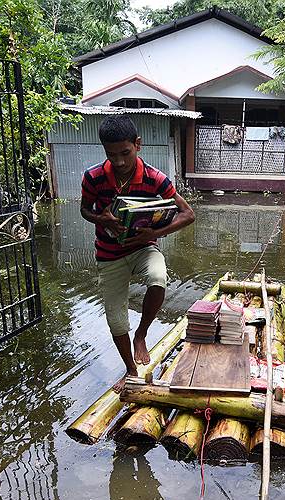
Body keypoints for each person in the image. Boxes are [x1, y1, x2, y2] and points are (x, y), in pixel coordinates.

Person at [80, 116, 195, 392]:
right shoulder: (93, 178)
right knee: (115, 318)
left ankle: (141, 334)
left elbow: (188, 214)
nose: (119, 161)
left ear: (138, 144)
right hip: (109, 254)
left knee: (158, 277)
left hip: (145, 247)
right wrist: (102, 219)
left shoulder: (156, 178)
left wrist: (155, 233)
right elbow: (84, 210)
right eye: (111, 154)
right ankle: (131, 370)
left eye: (125, 153)